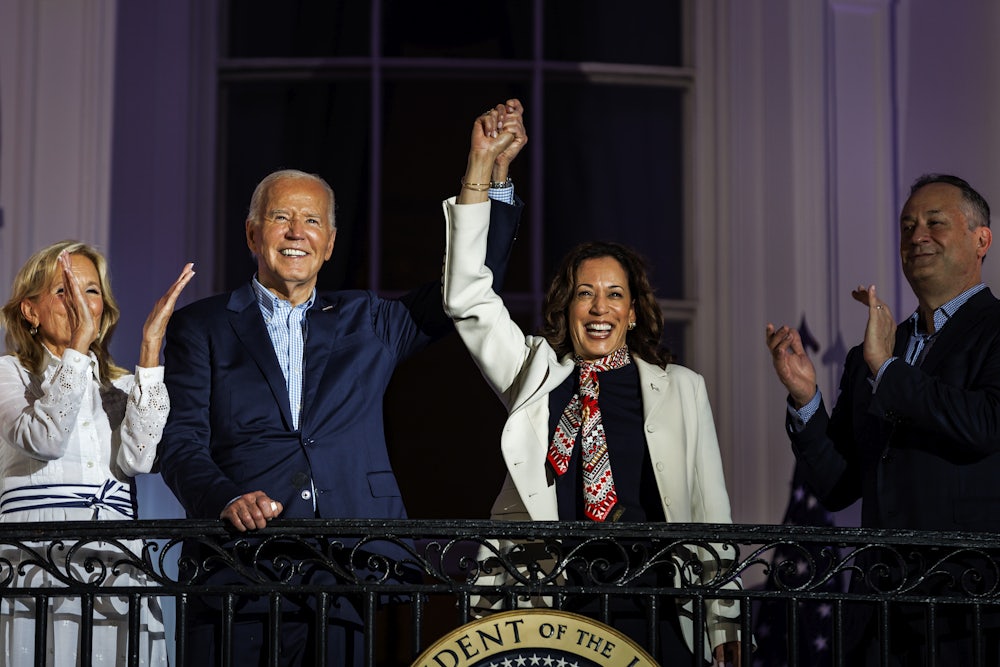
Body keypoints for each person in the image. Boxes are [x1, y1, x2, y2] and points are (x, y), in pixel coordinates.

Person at [158, 100, 527, 666]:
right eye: (282, 218)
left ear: (329, 243)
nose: (296, 232)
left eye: (312, 221)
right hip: (237, 572)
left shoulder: (368, 320)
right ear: (253, 234)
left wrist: (487, 175)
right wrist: (226, 498)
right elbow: (180, 444)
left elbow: (470, 285)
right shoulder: (202, 326)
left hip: (349, 570)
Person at [440, 118, 743, 665]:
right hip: (551, 603)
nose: (599, 307)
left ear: (632, 313)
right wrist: (479, 171)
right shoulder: (535, 372)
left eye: (613, 295)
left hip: (654, 602)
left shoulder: (681, 390)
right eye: (586, 294)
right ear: (568, 306)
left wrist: (724, 626)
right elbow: (468, 298)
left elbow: (711, 512)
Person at [765, 173, 1000, 664]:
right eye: (907, 226)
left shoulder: (990, 332)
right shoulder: (870, 353)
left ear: (982, 240)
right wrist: (807, 400)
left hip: (968, 610)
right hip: (877, 612)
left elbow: (984, 425)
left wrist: (888, 370)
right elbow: (837, 486)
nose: (917, 236)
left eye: (935, 223)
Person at [0, 240, 194, 666]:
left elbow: (141, 459)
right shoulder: (8, 374)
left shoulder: (120, 387)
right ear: (30, 311)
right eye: (63, 289)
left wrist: (149, 348)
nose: (80, 302)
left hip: (114, 562)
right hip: (34, 563)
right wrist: (78, 348)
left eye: (90, 290)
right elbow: (44, 438)